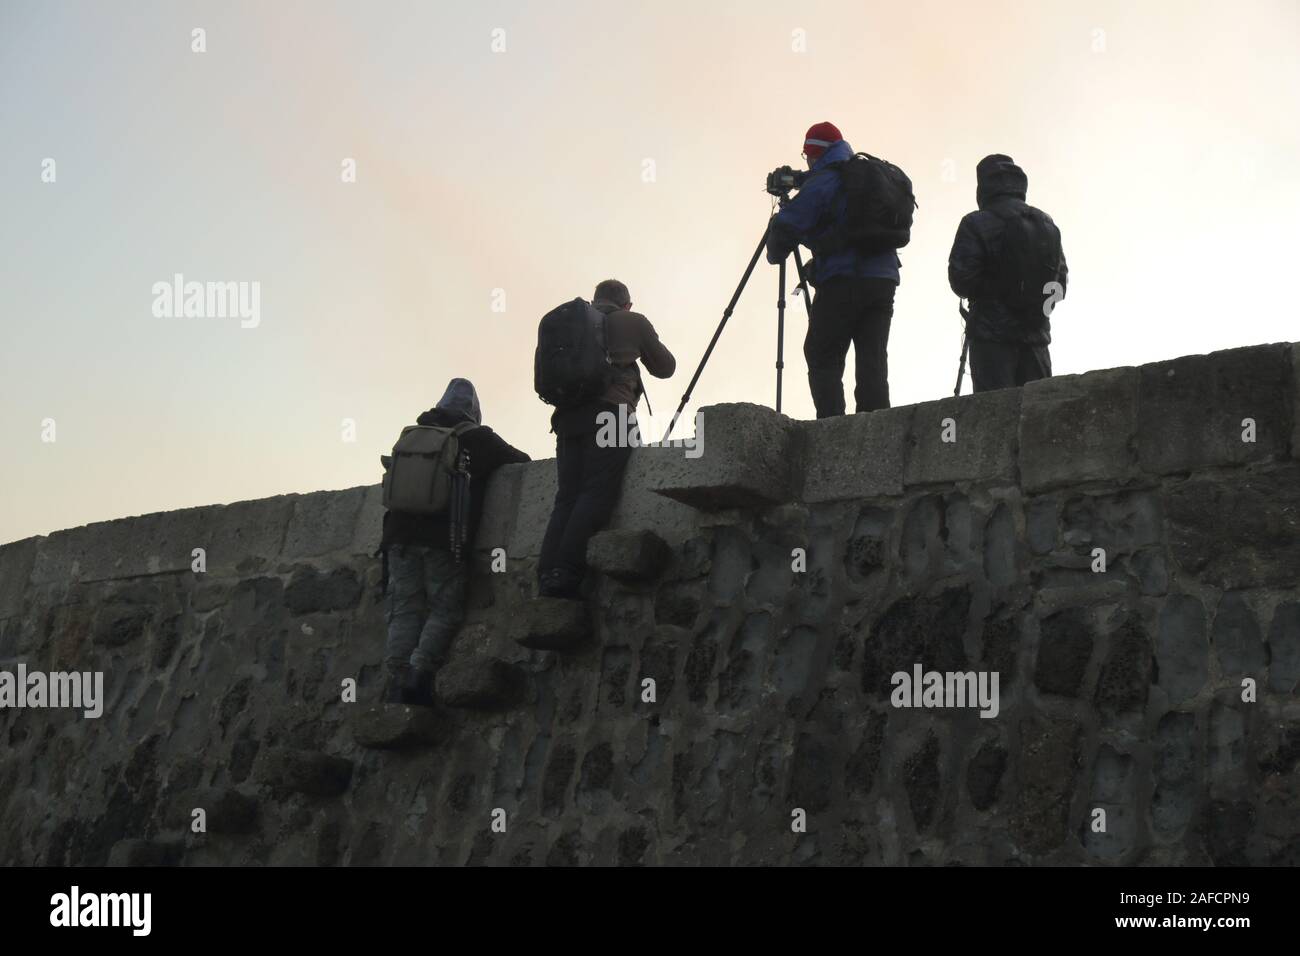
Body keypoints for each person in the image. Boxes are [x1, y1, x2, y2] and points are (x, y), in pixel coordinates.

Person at [380, 378, 529, 705]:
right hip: (443, 540)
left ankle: (395, 682)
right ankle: (419, 679)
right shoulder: (478, 438)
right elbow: (523, 461)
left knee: (404, 609)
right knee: (444, 609)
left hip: (398, 537)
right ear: (473, 411)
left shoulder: (412, 434)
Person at [537, 279, 675, 599]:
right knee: (596, 493)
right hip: (610, 415)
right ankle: (567, 572)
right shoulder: (631, 320)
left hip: (567, 417)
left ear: (595, 298)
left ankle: (546, 572)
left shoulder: (570, 322)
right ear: (627, 304)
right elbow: (665, 367)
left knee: (567, 496)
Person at [765, 121, 902, 417]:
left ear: (814, 152)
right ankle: (877, 424)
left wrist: (775, 246)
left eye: (807, 154)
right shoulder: (863, 172)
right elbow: (827, 184)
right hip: (883, 280)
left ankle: (831, 426)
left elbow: (789, 226)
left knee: (822, 353)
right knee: (872, 357)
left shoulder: (825, 182)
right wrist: (799, 180)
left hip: (843, 280)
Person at [947, 154, 1069, 391]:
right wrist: (1034, 305)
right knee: (1037, 413)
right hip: (1036, 339)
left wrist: (995, 293)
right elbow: (1060, 283)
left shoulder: (976, 222)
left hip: (991, 338)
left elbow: (961, 280)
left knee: (994, 413)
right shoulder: (1044, 222)